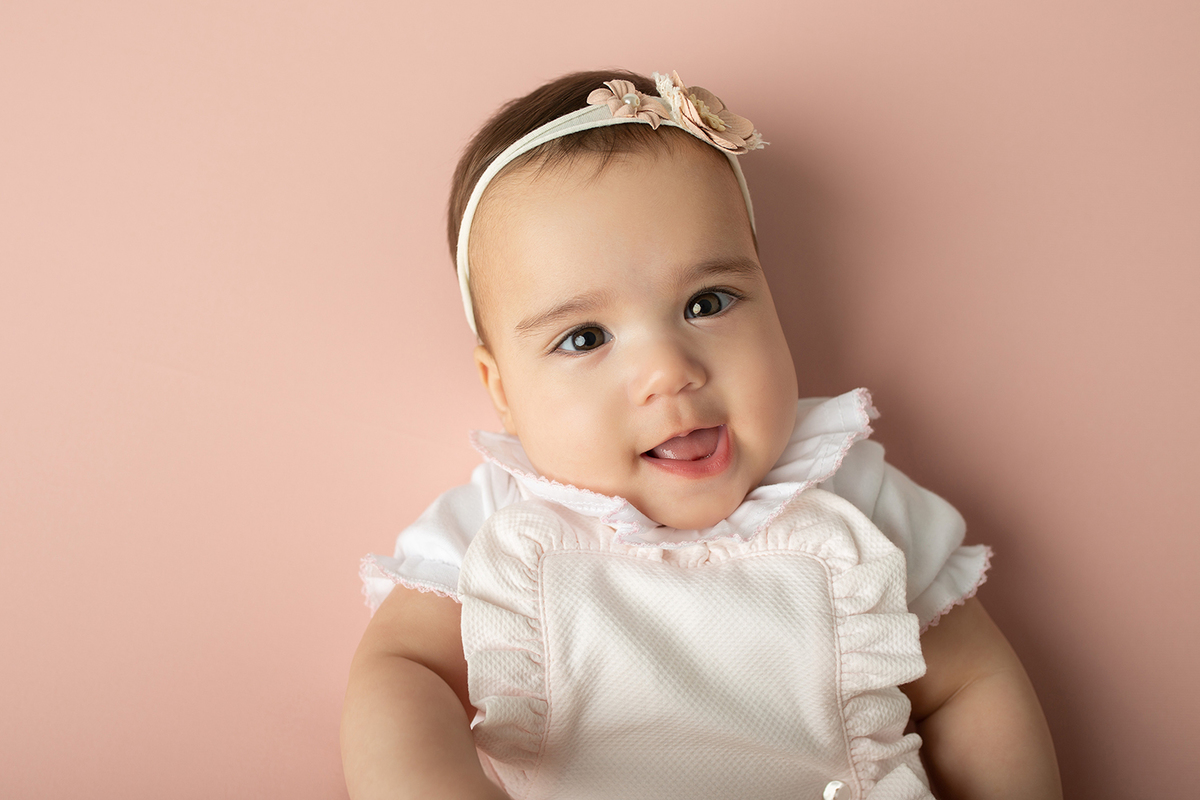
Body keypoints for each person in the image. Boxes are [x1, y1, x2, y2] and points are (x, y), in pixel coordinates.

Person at [341, 68, 1062, 800]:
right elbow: (401, 670)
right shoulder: (497, 524)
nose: (668, 372)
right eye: (586, 338)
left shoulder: (852, 493)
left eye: (707, 302)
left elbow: (971, 680)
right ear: (503, 392)